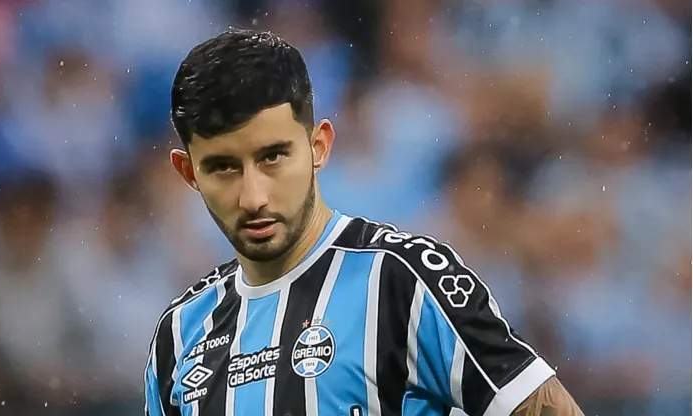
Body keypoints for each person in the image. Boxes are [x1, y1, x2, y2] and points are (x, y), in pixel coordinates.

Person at [144, 29, 584, 416]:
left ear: (319, 146)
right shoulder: (179, 337)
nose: (253, 197)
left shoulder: (402, 281)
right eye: (223, 167)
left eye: (273, 157)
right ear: (188, 173)